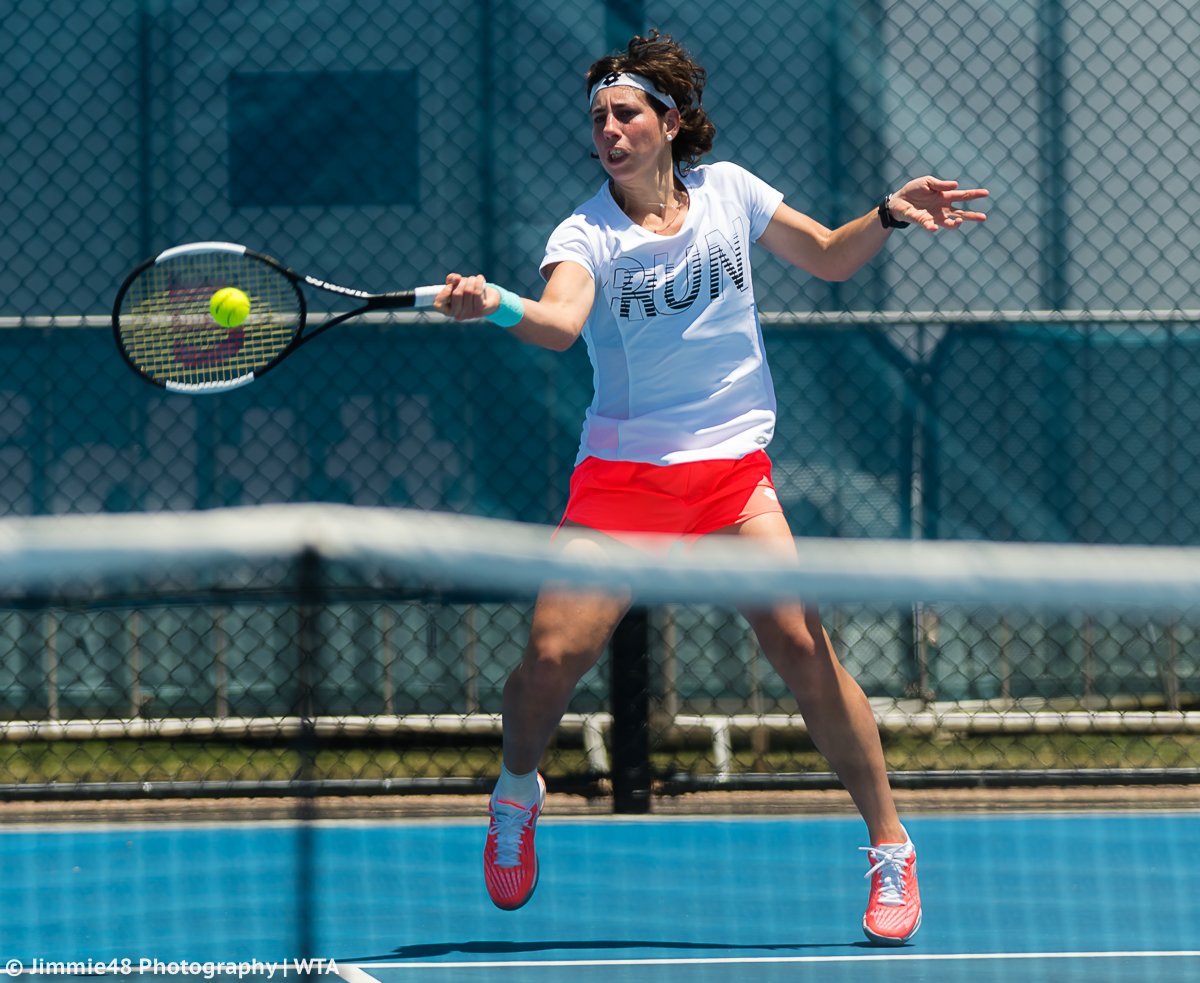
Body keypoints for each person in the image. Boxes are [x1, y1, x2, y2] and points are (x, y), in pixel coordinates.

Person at [434, 30, 987, 945]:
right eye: (598, 118)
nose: (607, 131)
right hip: (621, 480)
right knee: (547, 660)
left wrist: (888, 212)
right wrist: (493, 303)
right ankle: (516, 787)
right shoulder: (585, 232)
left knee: (805, 647)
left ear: (669, 122)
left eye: (624, 114)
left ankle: (890, 847)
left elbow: (828, 254)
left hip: (732, 475)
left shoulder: (729, 191)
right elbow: (560, 323)